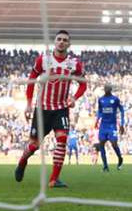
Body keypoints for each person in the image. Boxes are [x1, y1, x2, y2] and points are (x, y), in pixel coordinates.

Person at [14, 30, 87, 188]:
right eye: (59, 39)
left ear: (69, 44)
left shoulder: (74, 63)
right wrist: (28, 104)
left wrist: (74, 98)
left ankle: (54, 179)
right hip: (42, 109)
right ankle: (22, 161)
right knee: (34, 145)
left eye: (65, 40)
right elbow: (31, 80)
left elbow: (83, 84)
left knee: (62, 139)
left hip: (61, 109)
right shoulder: (43, 60)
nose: (61, 42)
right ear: (55, 42)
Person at [96, 84, 125, 172]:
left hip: (112, 126)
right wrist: (97, 119)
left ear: (111, 89)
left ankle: (120, 158)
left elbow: (122, 109)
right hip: (103, 125)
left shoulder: (115, 99)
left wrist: (122, 124)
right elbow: (100, 110)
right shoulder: (100, 99)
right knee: (101, 144)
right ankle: (105, 166)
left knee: (114, 143)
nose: (106, 89)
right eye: (105, 88)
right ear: (104, 89)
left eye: (108, 88)